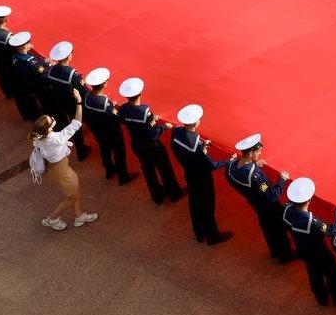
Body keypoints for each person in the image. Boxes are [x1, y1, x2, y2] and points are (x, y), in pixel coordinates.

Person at [28, 87, 97, 231]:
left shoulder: (39, 138)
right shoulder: (56, 139)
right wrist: (78, 101)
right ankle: (52, 218)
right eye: (51, 120)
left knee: (75, 192)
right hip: (62, 172)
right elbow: (77, 122)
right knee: (72, 196)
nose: (53, 119)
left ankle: (79, 217)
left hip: (57, 170)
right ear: (48, 129)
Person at [226, 133, 295, 263]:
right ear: (251, 152)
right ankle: (285, 256)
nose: (260, 153)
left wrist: (255, 164)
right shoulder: (256, 176)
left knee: (267, 227)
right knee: (279, 229)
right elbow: (271, 196)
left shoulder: (233, 167)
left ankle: (274, 250)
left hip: (256, 204)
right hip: (269, 207)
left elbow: (230, 176)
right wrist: (282, 180)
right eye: (258, 151)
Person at [170, 104, 232, 245]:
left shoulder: (176, 132)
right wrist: (229, 161)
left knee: (194, 203)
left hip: (189, 173)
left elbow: (180, 149)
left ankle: (199, 233)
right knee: (207, 206)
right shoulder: (196, 143)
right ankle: (212, 236)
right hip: (202, 177)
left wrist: (202, 147)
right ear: (196, 122)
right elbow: (212, 165)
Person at [283, 177, 336, 306]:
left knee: (313, 273)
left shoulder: (286, 211)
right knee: (331, 270)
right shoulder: (310, 221)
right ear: (308, 200)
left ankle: (321, 297)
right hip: (317, 250)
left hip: (302, 247)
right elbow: (328, 230)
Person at [118, 77, 185, 205]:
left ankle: (157, 196)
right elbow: (152, 134)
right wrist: (163, 127)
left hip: (137, 144)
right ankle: (174, 193)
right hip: (152, 146)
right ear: (140, 93)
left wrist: (149, 123)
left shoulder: (123, 109)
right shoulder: (145, 111)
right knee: (165, 169)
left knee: (148, 171)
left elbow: (122, 120)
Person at [82, 67, 135, 184]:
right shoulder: (106, 104)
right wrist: (114, 107)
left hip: (98, 130)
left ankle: (109, 170)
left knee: (104, 149)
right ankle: (123, 176)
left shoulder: (87, 98)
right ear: (104, 84)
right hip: (111, 131)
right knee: (119, 151)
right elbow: (118, 117)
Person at [44, 42, 91, 161]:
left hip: (59, 101)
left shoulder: (51, 70)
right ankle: (81, 151)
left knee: (67, 122)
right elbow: (84, 90)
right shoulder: (71, 73)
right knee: (77, 124)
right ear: (67, 57)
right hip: (72, 103)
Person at [8, 31, 46, 121]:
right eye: (29, 42)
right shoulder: (29, 61)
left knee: (23, 100)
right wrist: (46, 63)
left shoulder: (15, 56)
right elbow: (41, 71)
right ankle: (37, 117)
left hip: (21, 83)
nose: (31, 44)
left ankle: (28, 115)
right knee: (42, 100)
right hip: (34, 85)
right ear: (24, 46)